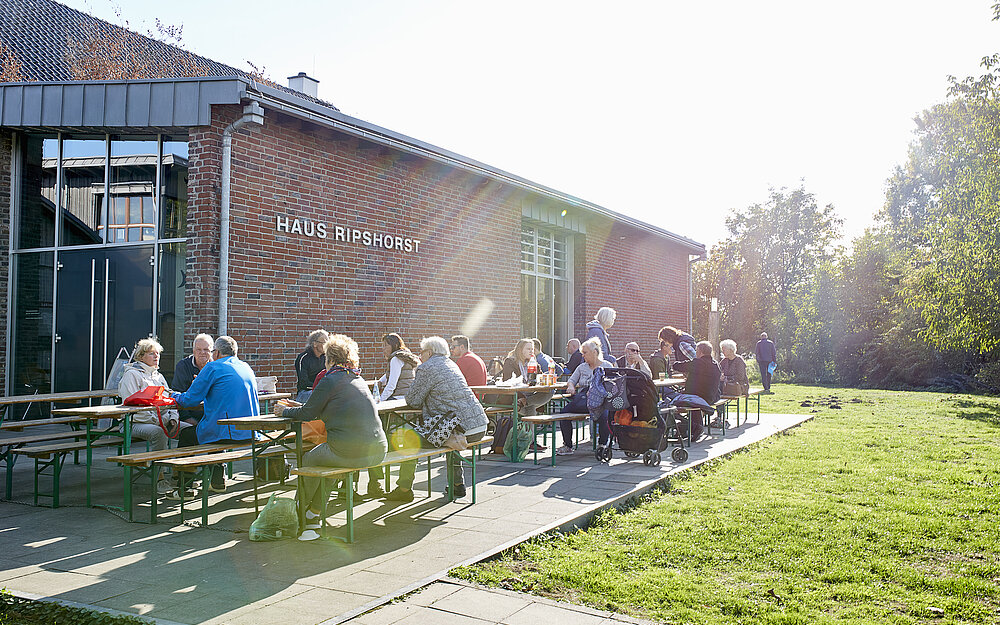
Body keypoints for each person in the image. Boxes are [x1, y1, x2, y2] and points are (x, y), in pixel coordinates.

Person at [274, 334, 388, 539]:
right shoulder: (356, 377)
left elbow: (308, 415)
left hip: (350, 450)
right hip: (378, 450)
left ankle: (298, 514)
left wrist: (284, 412)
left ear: (330, 359)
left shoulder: (330, 379)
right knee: (328, 467)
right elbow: (318, 408)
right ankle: (313, 514)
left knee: (309, 461)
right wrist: (299, 407)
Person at [384, 336, 489, 502]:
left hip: (460, 429)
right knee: (447, 432)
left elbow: (413, 400)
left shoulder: (427, 368)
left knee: (409, 438)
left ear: (430, 352)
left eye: (421, 352)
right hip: (479, 426)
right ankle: (457, 485)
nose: (419, 356)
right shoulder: (451, 364)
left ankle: (404, 489)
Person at [170, 336, 257, 498]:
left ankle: (185, 488)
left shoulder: (213, 367)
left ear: (216, 352)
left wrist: (174, 395)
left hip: (227, 432)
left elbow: (190, 400)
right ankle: (217, 481)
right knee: (216, 430)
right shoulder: (246, 367)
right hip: (249, 432)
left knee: (188, 436)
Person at [119, 338, 191, 494]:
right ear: (141, 356)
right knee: (158, 433)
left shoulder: (158, 376)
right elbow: (131, 405)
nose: (156, 356)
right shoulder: (131, 375)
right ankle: (159, 478)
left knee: (190, 431)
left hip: (162, 421)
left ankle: (183, 475)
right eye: (152, 353)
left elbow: (170, 401)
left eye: (157, 353)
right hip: (134, 422)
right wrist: (159, 421)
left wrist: (172, 418)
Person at [555, 337, 615, 456]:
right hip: (584, 400)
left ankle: (603, 444)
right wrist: (571, 386)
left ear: (595, 352)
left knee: (604, 416)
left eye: (585, 353)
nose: (583, 356)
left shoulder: (607, 366)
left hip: (600, 402)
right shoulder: (582, 367)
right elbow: (571, 380)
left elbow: (613, 385)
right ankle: (568, 445)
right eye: (582, 353)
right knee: (563, 413)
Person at [501, 338, 554, 416]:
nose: (531, 351)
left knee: (550, 391)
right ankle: (525, 403)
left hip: (530, 395)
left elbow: (539, 378)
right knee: (531, 407)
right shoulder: (510, 362)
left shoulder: (533, 362)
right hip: (515, 396)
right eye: (528, 349)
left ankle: (525, 402)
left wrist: (546, 377)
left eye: (532, 349)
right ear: (520, 350)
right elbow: (507, 380)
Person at [171, 333, 214, 425]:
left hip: (213, 416)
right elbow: (177, 392)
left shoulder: (216, 368)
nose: (202, 352)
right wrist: (187, 418)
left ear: (212, 351)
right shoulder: (183, 366)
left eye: (206, 349)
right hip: (191, 415)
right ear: (193, 350)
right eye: (199, 349)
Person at [673, 340, 722, 405]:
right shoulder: (716, 364)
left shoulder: (698, 363)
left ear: (700, 352)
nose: (695, 352)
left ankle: (675, 415)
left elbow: (677, 366)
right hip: (712, 397)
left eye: (696, 350)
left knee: (670, 395)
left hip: (697, 397)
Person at [377, 333, 420, 401]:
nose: (383, 348)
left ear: (395, 345)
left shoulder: (396, 359)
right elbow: (393, 373)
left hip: (399, 397)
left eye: (386, 345)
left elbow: (391, 386)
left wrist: (380, 401)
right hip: (408, 396)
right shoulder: (404, 356)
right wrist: (380, 381)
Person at [294, 329, 329, 403]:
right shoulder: (303, 358)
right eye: (325, 342)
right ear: (315, 344)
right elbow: (304, 383)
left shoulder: (327, 358)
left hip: (322, 391)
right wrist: (321, 388)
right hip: (305, 393)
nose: (327, 345)